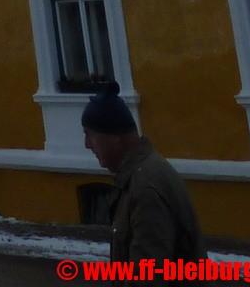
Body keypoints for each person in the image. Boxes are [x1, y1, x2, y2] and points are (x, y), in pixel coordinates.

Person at [82, 80, 205, 263]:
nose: (87, 145)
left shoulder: (145, 189)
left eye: (90, 135)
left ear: (114, 137)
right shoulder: (142, 175)